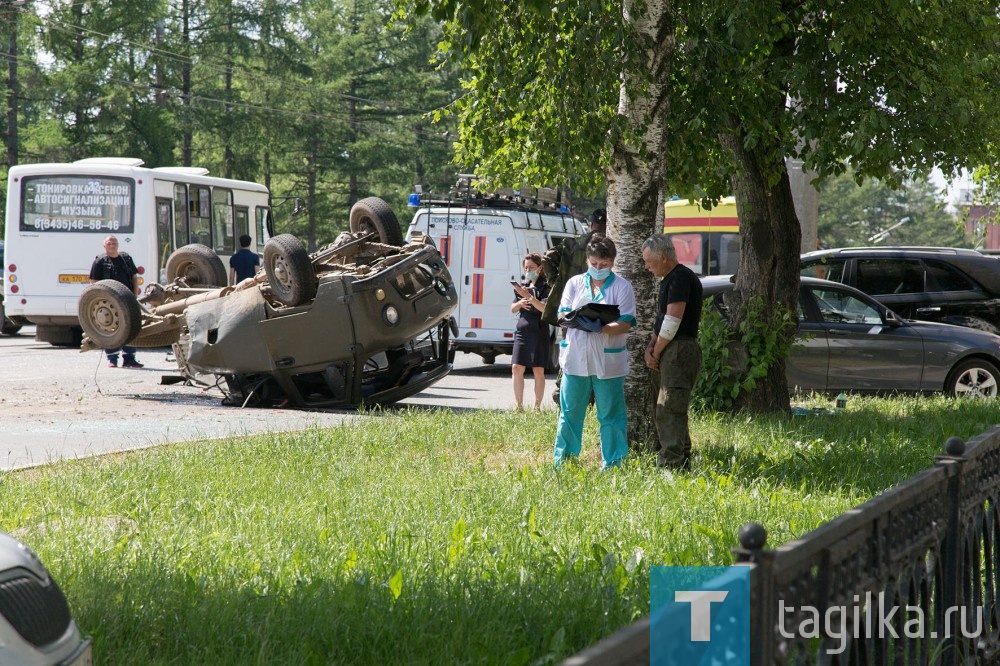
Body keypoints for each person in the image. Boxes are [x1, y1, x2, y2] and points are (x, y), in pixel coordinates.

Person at [553, 235, 636, 469]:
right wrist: (579, 320)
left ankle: (614, 464)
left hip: (608, 361)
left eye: (604, 265)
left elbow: (626, 323)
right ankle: (564, 463)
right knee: (569, 414)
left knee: (611, 416)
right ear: (588, 260)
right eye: (594, 264)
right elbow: (561, 316)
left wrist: (601, 327)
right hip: (575, 359)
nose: (598, 269)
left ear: (612, 262)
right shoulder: (574, 283)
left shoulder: (622, 287)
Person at [642, 234, 703, 469]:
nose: (647, 267)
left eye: (650, 262)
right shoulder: (670, 279)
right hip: (670, 348)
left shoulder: (679, 278)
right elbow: (662, 323)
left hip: (678, 349)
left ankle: (672, 463)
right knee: (666, 407)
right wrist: (651, 347)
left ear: (664, 257)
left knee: (669, 408)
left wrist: (655, 352)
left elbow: (672, 321)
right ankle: (679, 457)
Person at [542, 208, 607, 404]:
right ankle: (593, 394)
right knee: (600, 349)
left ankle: (563, 388)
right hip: (602, 303)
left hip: (571, 305)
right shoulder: (610, 244)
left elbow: (547, 258)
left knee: (570, 347)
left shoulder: (574, 243)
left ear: (592, 224)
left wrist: (557, 284)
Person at [88, 235, 143, 368]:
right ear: (104, 246)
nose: (112, 245)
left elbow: (135, 277)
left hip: (128, 300)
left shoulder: (126, 259)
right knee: (111, 329)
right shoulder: (100, 261)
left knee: (131, 328)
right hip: (109, 302)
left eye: (114, 243)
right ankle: (112, 359)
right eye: (109, 243)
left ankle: (129, 358)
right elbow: (93, 282)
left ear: (118, 245)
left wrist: (134, 295)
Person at [511, 253, 550, 409]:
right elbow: (512, 309)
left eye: (531, 268)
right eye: (526, 267)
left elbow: (545, 309)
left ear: (540, 269)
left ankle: (537, 407)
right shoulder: (522, 285)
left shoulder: (546, 287)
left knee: (538, 369)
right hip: (523, 330)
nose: (528, 270)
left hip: (539, 330)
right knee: (516, 367)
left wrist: (530, 298)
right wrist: (520, 302)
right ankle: (518, 405)